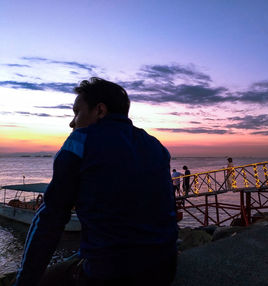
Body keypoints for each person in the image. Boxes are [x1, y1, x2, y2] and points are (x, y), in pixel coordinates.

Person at [13, 78, 178, 286]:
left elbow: (50, 218)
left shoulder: (80, 142)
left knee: (50, 278)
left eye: (77, 112)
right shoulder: (157, 146)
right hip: (165, 269)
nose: (72, 122)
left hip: (111, 275)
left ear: (99, 110)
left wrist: (24, 281)